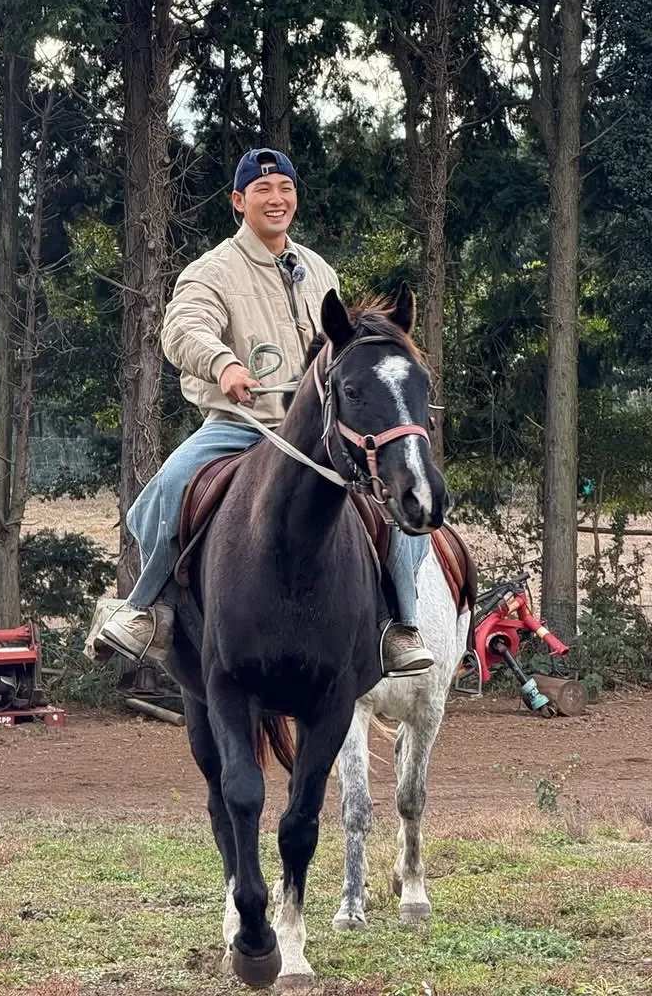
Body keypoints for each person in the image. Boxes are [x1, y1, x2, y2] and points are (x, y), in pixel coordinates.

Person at [86, 147, 434, 677]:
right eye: (263, 190)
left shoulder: (318, 269)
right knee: (168, 487)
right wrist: (223, 364)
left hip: (319, 433)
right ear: (238, 200)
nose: (276, 199)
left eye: (285, 189)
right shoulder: (212, 270)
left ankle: (399, 627)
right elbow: (182, 328)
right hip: (240, 427)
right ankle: (145, 610)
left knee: (399, 493)